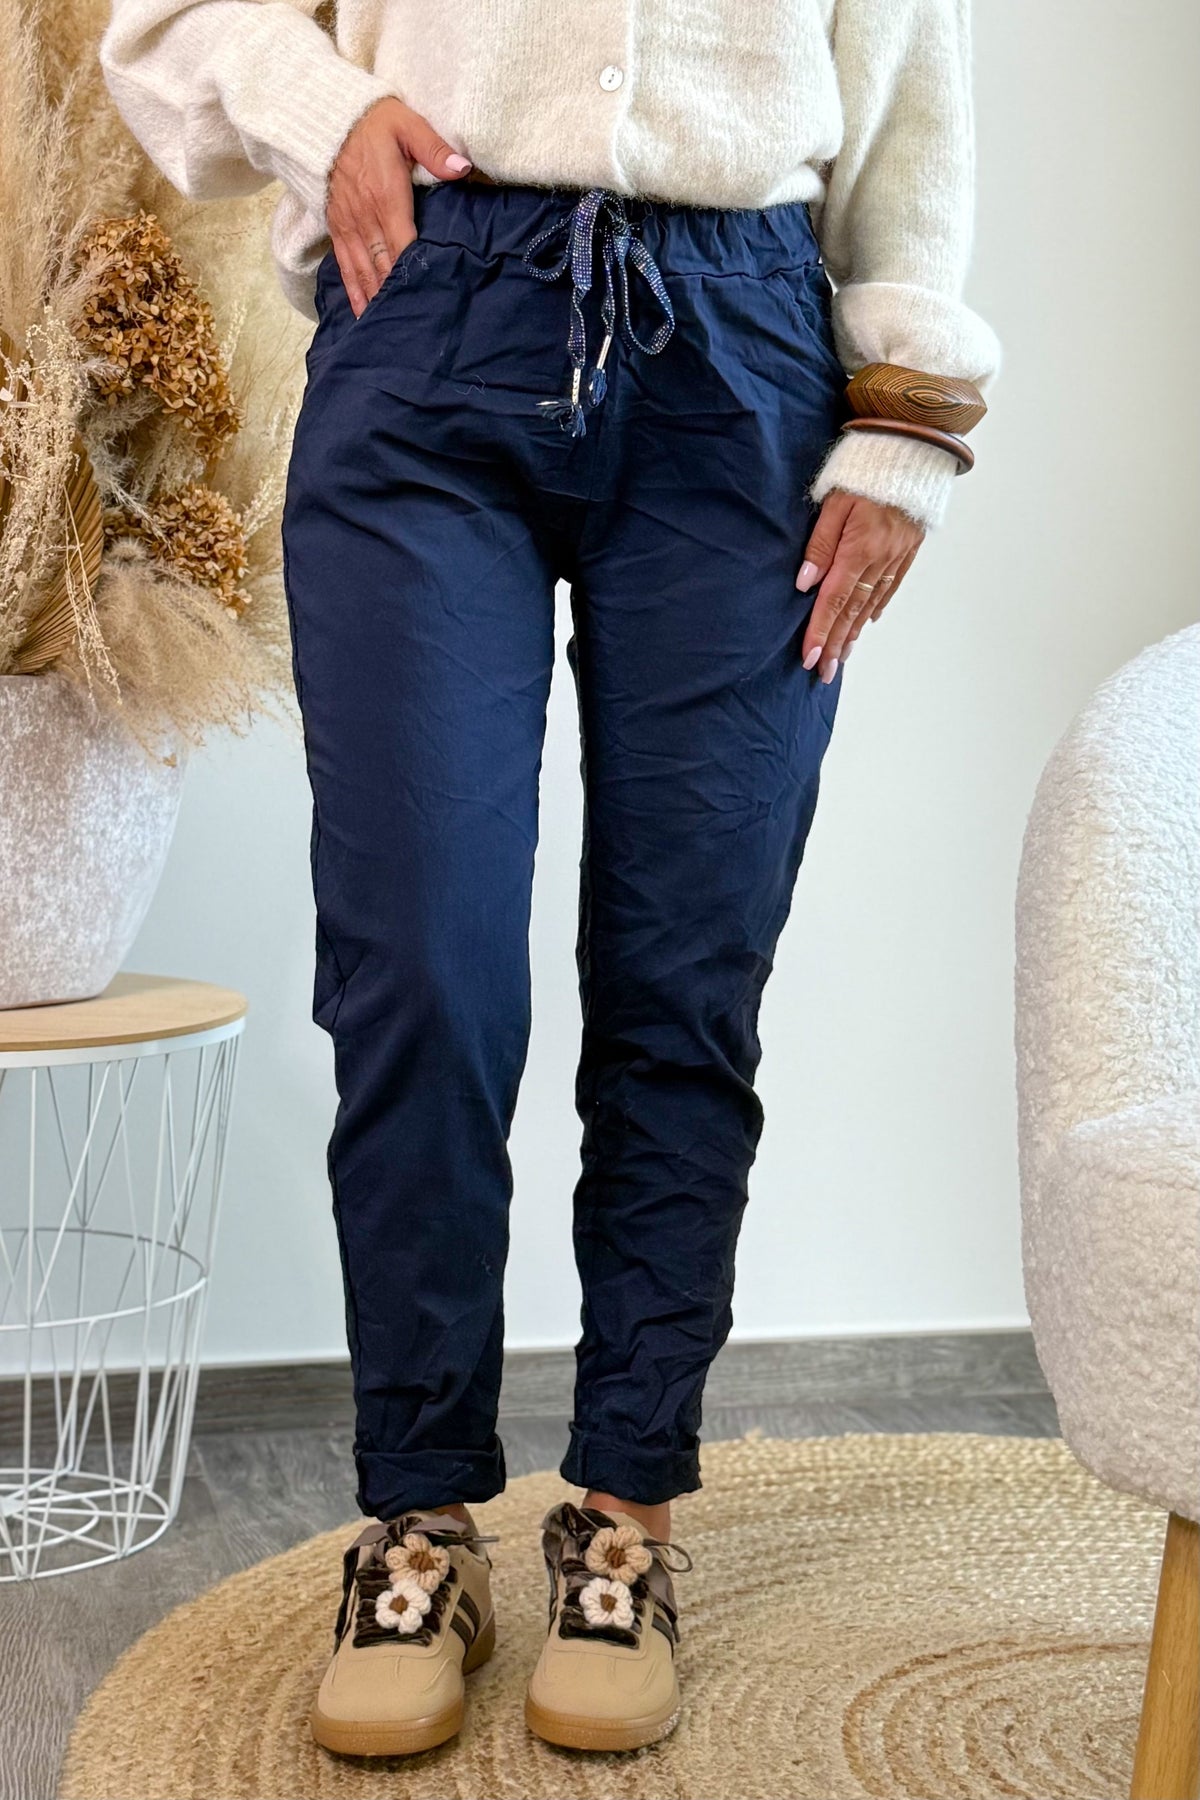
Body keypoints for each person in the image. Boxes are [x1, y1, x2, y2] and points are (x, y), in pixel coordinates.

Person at [101, 0, 1000, 1759]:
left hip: (744, 359)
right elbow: (171, 22)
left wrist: (907, 427)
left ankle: (624, 1517)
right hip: (430, 316)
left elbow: (911, 99)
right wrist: (325, 106)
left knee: (687, 966)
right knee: (421, 961)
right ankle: (417, 1519)